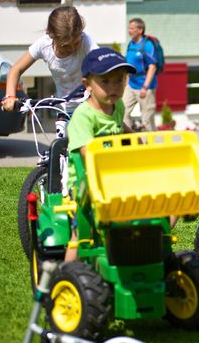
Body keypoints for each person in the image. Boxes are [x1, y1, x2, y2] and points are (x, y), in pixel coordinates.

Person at [64, 47, 136, 261]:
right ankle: (67, 272)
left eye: (120, 80)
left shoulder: (118, 105)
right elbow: (88, 153)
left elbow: (118, 126)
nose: (114, 87)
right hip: (84, 184)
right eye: (105, 81)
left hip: (113, 179)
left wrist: (134, 137)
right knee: (82, 231)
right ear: (87, 84)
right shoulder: (83, 116)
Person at [1, 6, 98, 112]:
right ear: (51, 35)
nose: (72, 48)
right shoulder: (44, 45)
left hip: (91, 106)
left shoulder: (85, 42)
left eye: (76, 43)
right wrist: (10, 96)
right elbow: (16, 69)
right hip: (63, 108)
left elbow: (103, 62)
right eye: (64, 46)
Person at [124, 18, 158, 131]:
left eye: (132, 28)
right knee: (122, 112)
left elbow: (152, 67)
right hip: (131, 85)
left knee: (147, 119)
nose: (129, 31)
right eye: (129, 28)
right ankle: (128, 140)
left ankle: (151, 145)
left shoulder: (147, 45)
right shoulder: (131, 44)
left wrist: (145, 87)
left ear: (140, 30)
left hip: (145, 87)